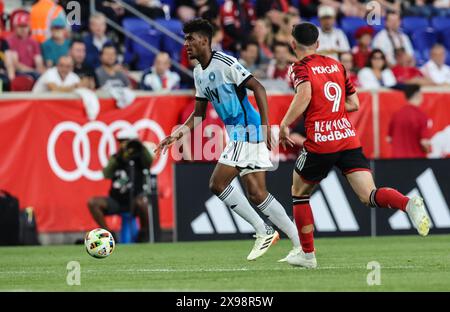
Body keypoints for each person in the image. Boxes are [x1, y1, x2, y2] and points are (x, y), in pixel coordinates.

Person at [279, 22, 430, 268]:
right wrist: (332, 109)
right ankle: (407, 203)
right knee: (368, 195)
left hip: (321, 140)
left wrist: (285, 124)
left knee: (299, 193)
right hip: (348, 138)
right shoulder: (337, 65)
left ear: (293, 44)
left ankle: (307, 255)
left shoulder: (299, 67)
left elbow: (304, 95)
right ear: (318, 44)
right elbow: (355, 103)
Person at [156, 18, 301, 261]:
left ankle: (263, 230)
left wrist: (265, 127)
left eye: (190, 39)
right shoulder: (198, 72)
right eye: (185, 39)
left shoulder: (225, 63)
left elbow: (259, 88)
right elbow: (199, 114)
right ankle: (300, 244)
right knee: (257, 193)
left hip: (248, 130)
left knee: (218, 183)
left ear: (204, 40)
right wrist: (177, 134)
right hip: (239, 133)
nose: (186, 44)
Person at [88, 128, 154, 243]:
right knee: (93, 202)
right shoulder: (117, 157)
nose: (124, 144)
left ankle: (143, 235)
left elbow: (149, 162)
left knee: (143, 203)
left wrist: (140, 147)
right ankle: (109, 235)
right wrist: (119, 157)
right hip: (116, 200)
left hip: (134, 200)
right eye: (121, 141)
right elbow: (106, 173)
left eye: (127, 141)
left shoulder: (141, 158)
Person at [388, 84, 432, 158]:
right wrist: (428, 150)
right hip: (416, 160)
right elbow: (424, 142)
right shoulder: (421, 115)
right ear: (418, 95)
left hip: (397, 160)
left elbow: (389, 139)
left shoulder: (396, 114)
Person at [7, 11, 45, 81]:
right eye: (20, 26)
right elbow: (16, 64)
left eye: (25, 26)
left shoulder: (33, 42)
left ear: (29, 27)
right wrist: (33, 71)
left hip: (33, 72)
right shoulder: (9, 41)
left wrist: (39, 70)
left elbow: (38, 61)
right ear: (15, 27)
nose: (23, 29)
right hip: (18, 72)